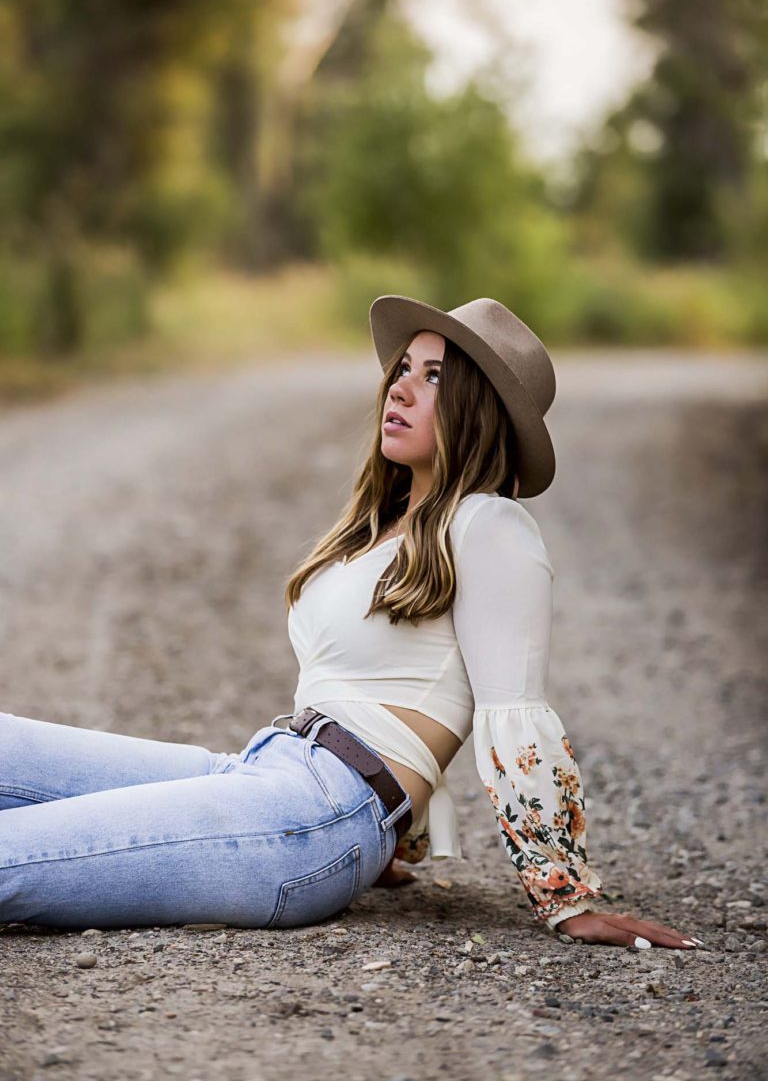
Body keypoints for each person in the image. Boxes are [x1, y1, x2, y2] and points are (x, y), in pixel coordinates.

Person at [0, 294, 701, 950]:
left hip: (313, 814)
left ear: (476, 410)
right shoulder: (384, 527)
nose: (399, 388)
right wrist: (402, 830)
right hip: (266, 771)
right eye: (403, 370)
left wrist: (565, 896)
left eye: (434, 378)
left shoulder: (491, 525)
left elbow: (510, 710)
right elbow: (400, 683)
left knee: (15, 855)